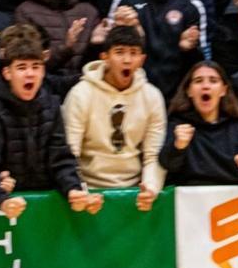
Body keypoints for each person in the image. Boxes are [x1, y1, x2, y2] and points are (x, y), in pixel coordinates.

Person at [0, 34, 97, 221]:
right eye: (21, 67)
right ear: (7, 73)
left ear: (43, 72)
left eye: (36, 67)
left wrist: (73, 189)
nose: (30, 73)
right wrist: (1, 198)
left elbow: (61, 158)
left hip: (47, 209)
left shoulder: (53, 107)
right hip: (3, 208)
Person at [63, 25, 167, 203]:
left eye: (134, 53)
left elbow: (153, 155)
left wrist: (150, 188)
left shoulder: (152, 96)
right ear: (105, 57)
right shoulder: (80, 94)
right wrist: (80, 191)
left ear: (142, 59)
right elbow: (71, 152)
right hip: (89, 189)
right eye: (119, 52)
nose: (127, 60)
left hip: (134, 190)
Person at [159, 61, 238, 186]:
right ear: (189, 91)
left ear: (223, 90)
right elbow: (167, 165)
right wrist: (178, 147)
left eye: (213, 81)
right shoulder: (178, 124)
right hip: (188, 200)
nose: (205, 86)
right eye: (198, 81)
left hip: (234, 201)